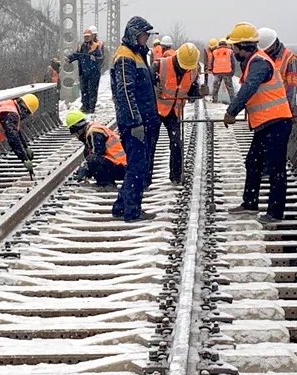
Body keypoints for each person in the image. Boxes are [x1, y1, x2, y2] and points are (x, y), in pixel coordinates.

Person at [223, 22, 294, 223]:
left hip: (277, 122)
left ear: (243, 47)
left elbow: (250, 88)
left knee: (275, 169)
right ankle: (250, 203)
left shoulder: (259, 63)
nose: (233, 51)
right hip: (265, 124)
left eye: (234, 47)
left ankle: (275, 213)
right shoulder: (253, 61)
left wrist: (231, 111)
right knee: (253, 162)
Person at [110, 15, 160, 222]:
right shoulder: (125, 56)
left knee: (137, 165)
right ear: (134, 34)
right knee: (137, 167)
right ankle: (132, 211)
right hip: (135, 122)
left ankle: (121, 206)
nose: (146, 38)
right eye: (143, 34)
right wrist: (135, 121)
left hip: (145, 118)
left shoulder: (137, 54)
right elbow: (125, 92)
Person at [154, 42, 200, 184]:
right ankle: (144, 179)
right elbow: (146, 86)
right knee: (150, 144)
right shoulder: (160, 66)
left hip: (175, 111)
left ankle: (176, 176)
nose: (184, 70)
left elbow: (192, 92)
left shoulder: (193, 69)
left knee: (176, 143)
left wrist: (198, 93)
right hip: (156, 110)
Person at [66, 110, 127, 187]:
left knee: (92, 159)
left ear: (77, 130)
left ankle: (105, 184)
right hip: (121, 165)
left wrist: (86, 168)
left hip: (122, 167)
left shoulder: (94, 132)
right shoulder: (93, 129)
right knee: (89, 154)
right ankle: (106, 180)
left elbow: (97, 153)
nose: (76, 137)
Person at [258, 28, 297, 111]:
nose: (265, 52)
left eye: (266, 49)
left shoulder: (290, 58)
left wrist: (289, 109)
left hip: (281, 107)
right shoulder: (262, 55)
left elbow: (292, 87)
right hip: (264, 107)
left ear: (274, 45)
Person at [67, 26, 105, 114]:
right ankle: (85, 106)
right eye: (85, 36)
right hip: (83, 72)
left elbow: (101, 58)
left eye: (88, 36)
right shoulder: (81, 46)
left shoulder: (96, 46)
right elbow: (77, 54)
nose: (86, 38)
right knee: (84, 89)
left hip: (93, 73)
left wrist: (95, 58)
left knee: (92, 90)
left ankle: (91, 107)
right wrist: (70, 58)